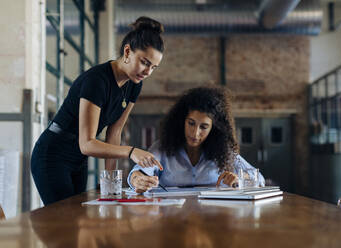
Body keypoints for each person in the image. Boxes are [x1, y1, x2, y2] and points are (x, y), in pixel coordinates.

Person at [31, 16, 165, 205]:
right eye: (144, 62)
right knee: (62, 222)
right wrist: (131, 151)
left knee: (76, 220)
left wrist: (111, 185)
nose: (147, 72)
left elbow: (114, 132)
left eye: (153, 67)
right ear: (127, 51)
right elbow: (87, 143)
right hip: (52, 153)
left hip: (79, 158)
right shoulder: (97, 81)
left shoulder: (134, 85)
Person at [128, 87, 265, 193]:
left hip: (211, 219)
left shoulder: (224, 152)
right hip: (172, 220)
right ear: (182, 121)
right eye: (191, 123)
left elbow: (259, 178)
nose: (195, 132)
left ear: (214, 129)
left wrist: (239, 179)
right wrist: (137, 180)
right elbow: (139, 171)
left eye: (204, 127)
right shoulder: (162, 148)